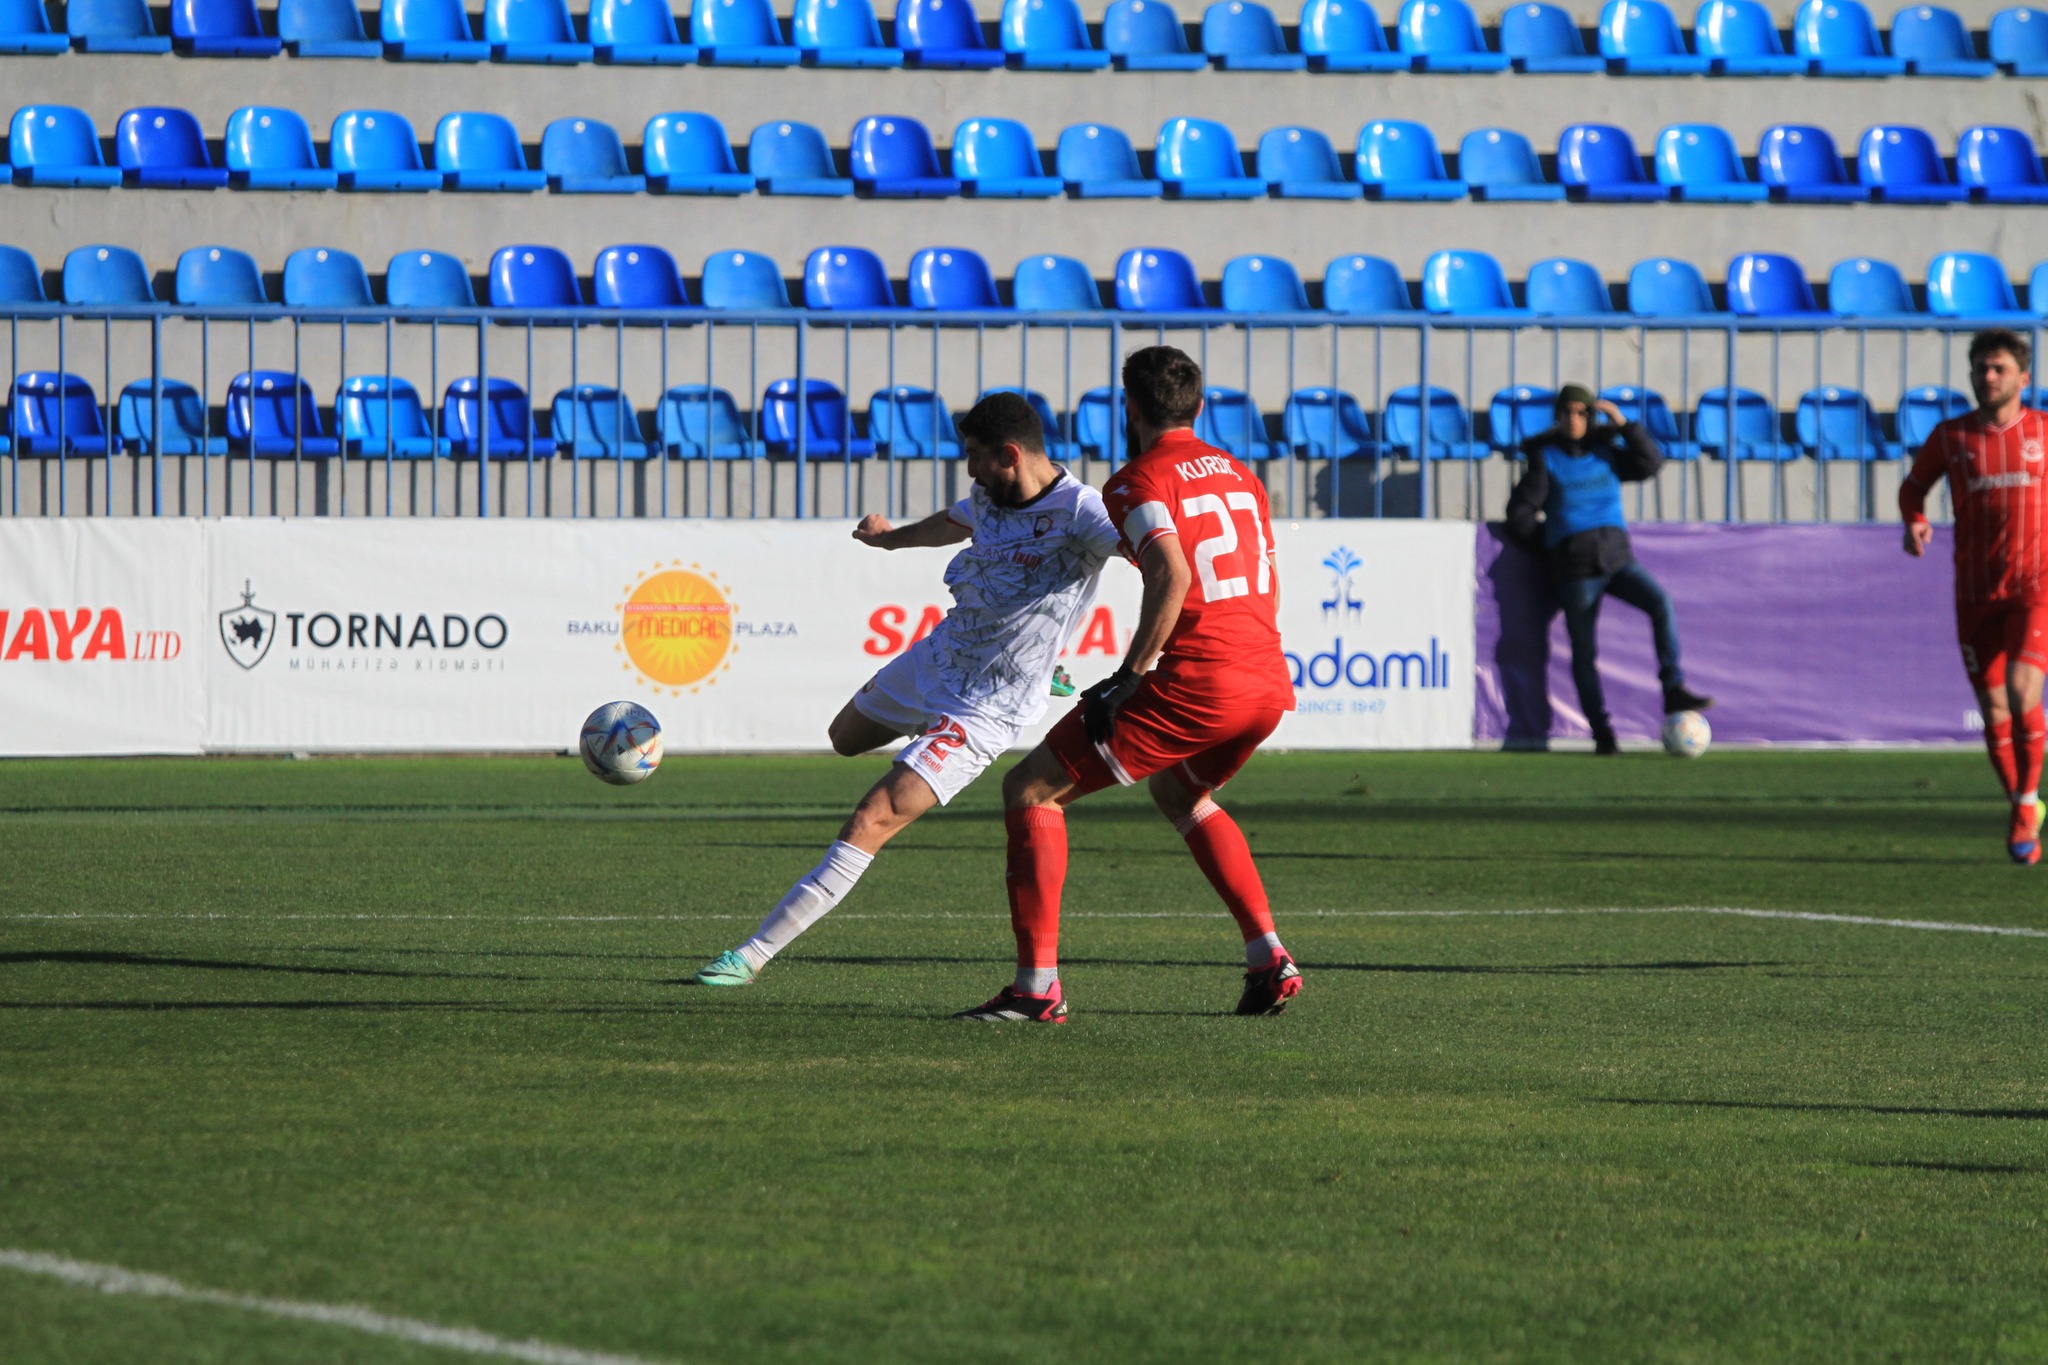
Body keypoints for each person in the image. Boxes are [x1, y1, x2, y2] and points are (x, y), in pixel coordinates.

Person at [692, 392, 1121, 986]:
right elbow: (951, 522)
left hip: (985, 706)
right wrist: (890, 539)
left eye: (975, 456)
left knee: (873, 817)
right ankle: (951, 726)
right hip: (936, 659)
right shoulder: (991, 496)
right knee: (844, 737)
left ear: (1010, 454)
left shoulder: (1084, 513)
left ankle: (751, 955)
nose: (968, 469)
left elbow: (1158, 559)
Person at [954, 346, 1301, 1023]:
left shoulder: (1138, 481)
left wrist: (1130, 676)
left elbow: (1172, 572)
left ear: (1131, 408)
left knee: (1030, 789)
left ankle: (1036, 988)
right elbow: (1268, 578)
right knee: (1181, 792)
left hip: (1198, 682)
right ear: (1200, 406)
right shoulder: (1242, 475)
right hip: (1265, 678)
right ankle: (1269, 956)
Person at [1901, 328, 2048, 865]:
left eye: (1999, 368)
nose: (1988, 377)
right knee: (1993, 706)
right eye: (1981, 368)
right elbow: (1913, 486)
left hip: (2036, 587)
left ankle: (2025, 804)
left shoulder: (2043, 432)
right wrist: (1914, 519)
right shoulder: (1951, 436)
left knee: (2023, 689)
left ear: (2023, 377)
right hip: (1974, 590)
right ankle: (2022, 800)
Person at [1504, 384, 1712, 755]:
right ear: (1558, 416)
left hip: (1617, 561)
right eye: (1567, 412)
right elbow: (1519, 515)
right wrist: (1556, 543)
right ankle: (1602, 733)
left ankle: (1673, 687)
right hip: (1576, 570)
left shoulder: (1606, 453)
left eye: (1582, 412)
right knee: (1584, 653)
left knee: (1660, 603)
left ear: (1591, 416)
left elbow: (1650, 463)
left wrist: (1624, 425)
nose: (1574, 419)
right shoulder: (1546, 458)